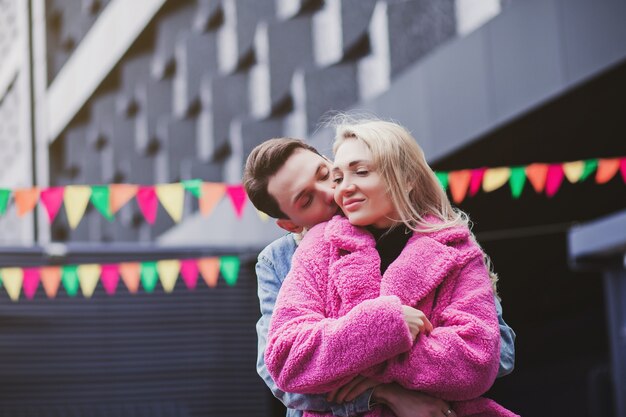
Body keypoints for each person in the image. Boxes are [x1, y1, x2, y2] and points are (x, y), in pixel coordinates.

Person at [243, 130, 515, 417]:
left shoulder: (442, 240)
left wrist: (373, 359)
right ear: (290, 225)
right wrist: (383, 393)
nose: (332, 192)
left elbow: (498, 351)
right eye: (306, 200)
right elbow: (283, 376)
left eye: (325, 174)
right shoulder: (281, 259)